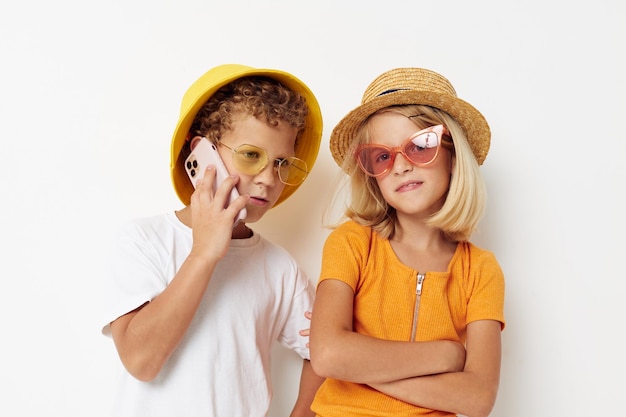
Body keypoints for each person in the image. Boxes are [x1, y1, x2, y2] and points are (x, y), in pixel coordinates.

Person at [102, 64, 325, 417]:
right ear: (201, 154)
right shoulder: (143, 240)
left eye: (282, 162)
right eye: (252, 155)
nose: (268, 179)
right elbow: (141, 361)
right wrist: (204, 252)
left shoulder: (280, 268)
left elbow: (325, 353)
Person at [308, 67, 506, 417]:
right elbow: (327, 356)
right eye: (382, 156)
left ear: (453, 154)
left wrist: (357, 367)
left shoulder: (481, 270)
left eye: (419, 146)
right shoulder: (351, 243)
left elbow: (477, 399)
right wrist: (447, 355)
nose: (400, 166)